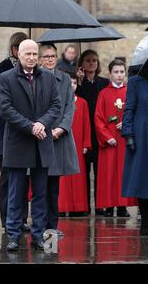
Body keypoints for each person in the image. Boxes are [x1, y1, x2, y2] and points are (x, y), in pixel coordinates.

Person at [0, 39, 61, 251]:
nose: (32, 58)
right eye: (28, 54)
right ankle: (13, 235)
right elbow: (6, 109)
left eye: (35, 54)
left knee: (41, 194)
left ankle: (38, 236)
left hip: (41, 144)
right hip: (18, 143)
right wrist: (30, 126)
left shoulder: (48, 78)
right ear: (19, 55)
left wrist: (42, 124)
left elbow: (55, 106)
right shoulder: (6, 78)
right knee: (16, 193)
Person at [0, 32, 30, 232]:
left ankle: (21, 218)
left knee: (25, 176)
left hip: (26, 131)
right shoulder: (2, 68)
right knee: (7, 177)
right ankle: (7, 219)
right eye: (19, 47)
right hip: (6, 130)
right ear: (14, 49)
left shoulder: (31, 69)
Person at [38, 44, 80, 234]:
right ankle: (38, 225)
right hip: (38, 138)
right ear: (40, 59)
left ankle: (52, 227)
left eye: (52, 56)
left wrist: (61, 128)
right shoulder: (34, 79)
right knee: (39, 187)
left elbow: (70, 107)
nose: (49, 59)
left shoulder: (64, 79)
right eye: (45, 56)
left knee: (53, 187)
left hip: (58, 139)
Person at [121, 71, 148, 236]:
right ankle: (145, 221)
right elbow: (129, 109)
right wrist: (128, 134)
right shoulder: (135, 82)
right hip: (141, 136)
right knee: (141, 178)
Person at [94, 59, 136, 217]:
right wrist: (106, 137)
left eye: (122, 72)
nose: (119, 75)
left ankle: (122, 206)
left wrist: (126, 124)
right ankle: (109, 205)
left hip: (124, 140)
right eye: (116, 72)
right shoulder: (103, 93)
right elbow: (98, 118)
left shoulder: (129, 92)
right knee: (109, 174)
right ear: (110, 74)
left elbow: (135, 113)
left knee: (123, 174)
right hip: (110, 140)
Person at [75, 50, 109, 216]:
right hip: (83, 131)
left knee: (100, 172)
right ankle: (85, 205)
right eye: (88, 60)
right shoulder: (78, 83)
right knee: (84, 172)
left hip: (99, 133)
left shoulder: (104, 82)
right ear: (82, 63)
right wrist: (80, 83)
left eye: (94, 60)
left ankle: (100, 205)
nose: (91, 63)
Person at [58, 73, 91, 216]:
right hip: (63, 140)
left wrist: (86, 143)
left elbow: (87, 124)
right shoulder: (59, 101)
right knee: (63, 178)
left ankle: (77, 207)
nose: (72, 86)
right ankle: (62, 206)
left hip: (78, 143)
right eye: (69, 83)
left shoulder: (82, 102)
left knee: (78, 177)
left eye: (74, 83)